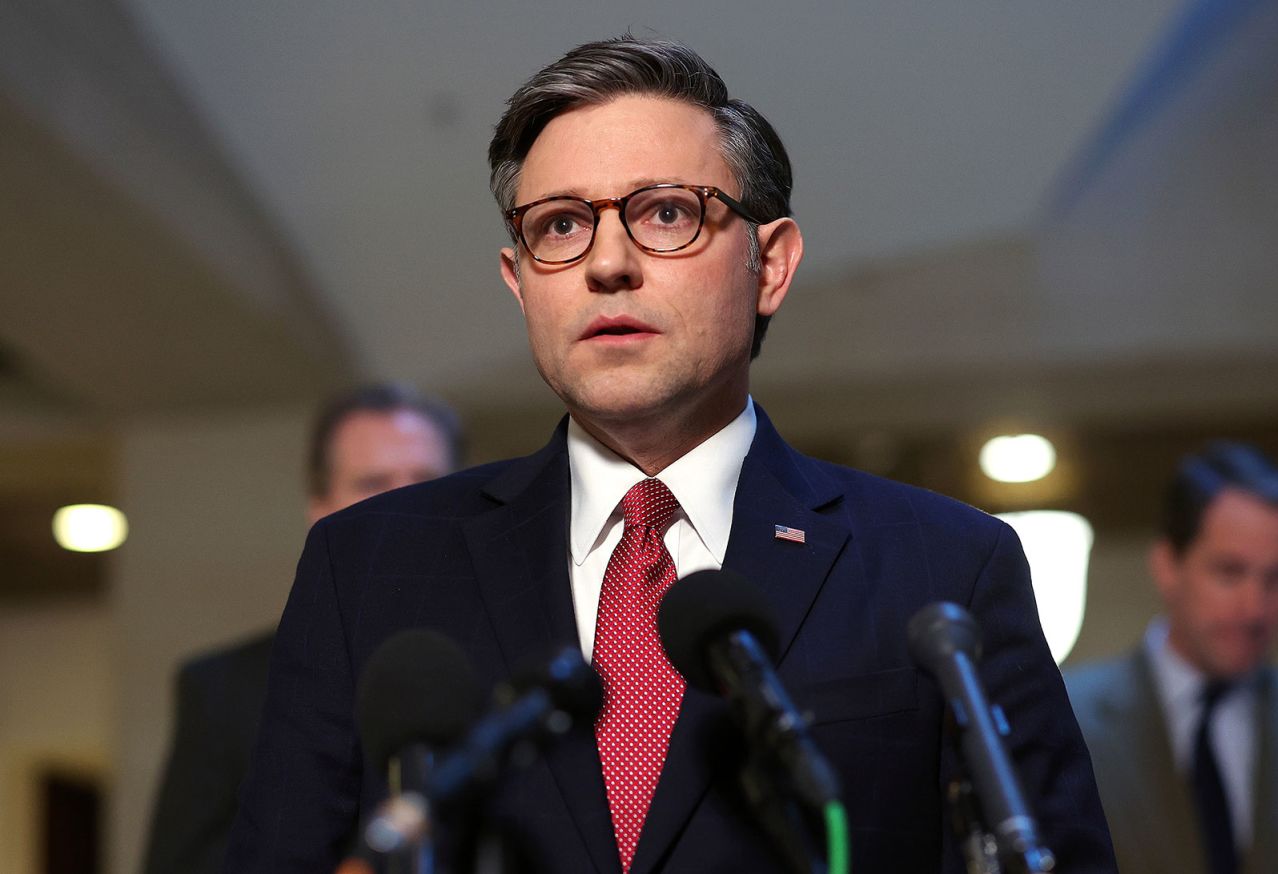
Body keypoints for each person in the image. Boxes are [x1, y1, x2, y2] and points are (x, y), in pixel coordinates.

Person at [226, 36, 1115, 873]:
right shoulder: (372, 563)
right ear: (518, 279)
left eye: (664, 213)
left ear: (770, 264)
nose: (607, 263)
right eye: (562, 225)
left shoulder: (944, 568)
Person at [142, 382, 462, 874]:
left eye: (427, 482)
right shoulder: (223, 688)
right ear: (319, 509)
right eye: (374, 485)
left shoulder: (521, 654)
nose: (405, 507)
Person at [1066, 443, 1278, 874]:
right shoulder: (1071, 715)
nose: (1255, 607)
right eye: (1229, 572)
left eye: (1275, 578)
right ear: (1167, 565)